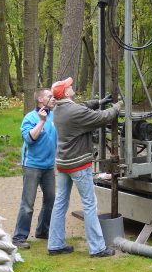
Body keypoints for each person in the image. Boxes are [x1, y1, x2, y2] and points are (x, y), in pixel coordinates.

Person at [47, 77, 121, 258]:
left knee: (60, 204)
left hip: (63, 163)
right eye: (68, 86)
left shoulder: (59, 108)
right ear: (65, 93)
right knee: (89, 204)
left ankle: (55, 244)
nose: (71, 86)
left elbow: (82, 106)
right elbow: (101, 118)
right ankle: (97, 248)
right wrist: (116, 107)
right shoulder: (74, 111)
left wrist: (99, 101)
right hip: (78, 164)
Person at [12, 88, 57, 249]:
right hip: (32, 165)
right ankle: (19, 237)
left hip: (49, 167)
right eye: (49, 96)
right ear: (40, 100)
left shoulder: (54, 116)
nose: (53, 99)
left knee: (51, 200)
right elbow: (30, 139)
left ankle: (43, 231)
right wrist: (41, 121)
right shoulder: (30, 117)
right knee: (28, 204)